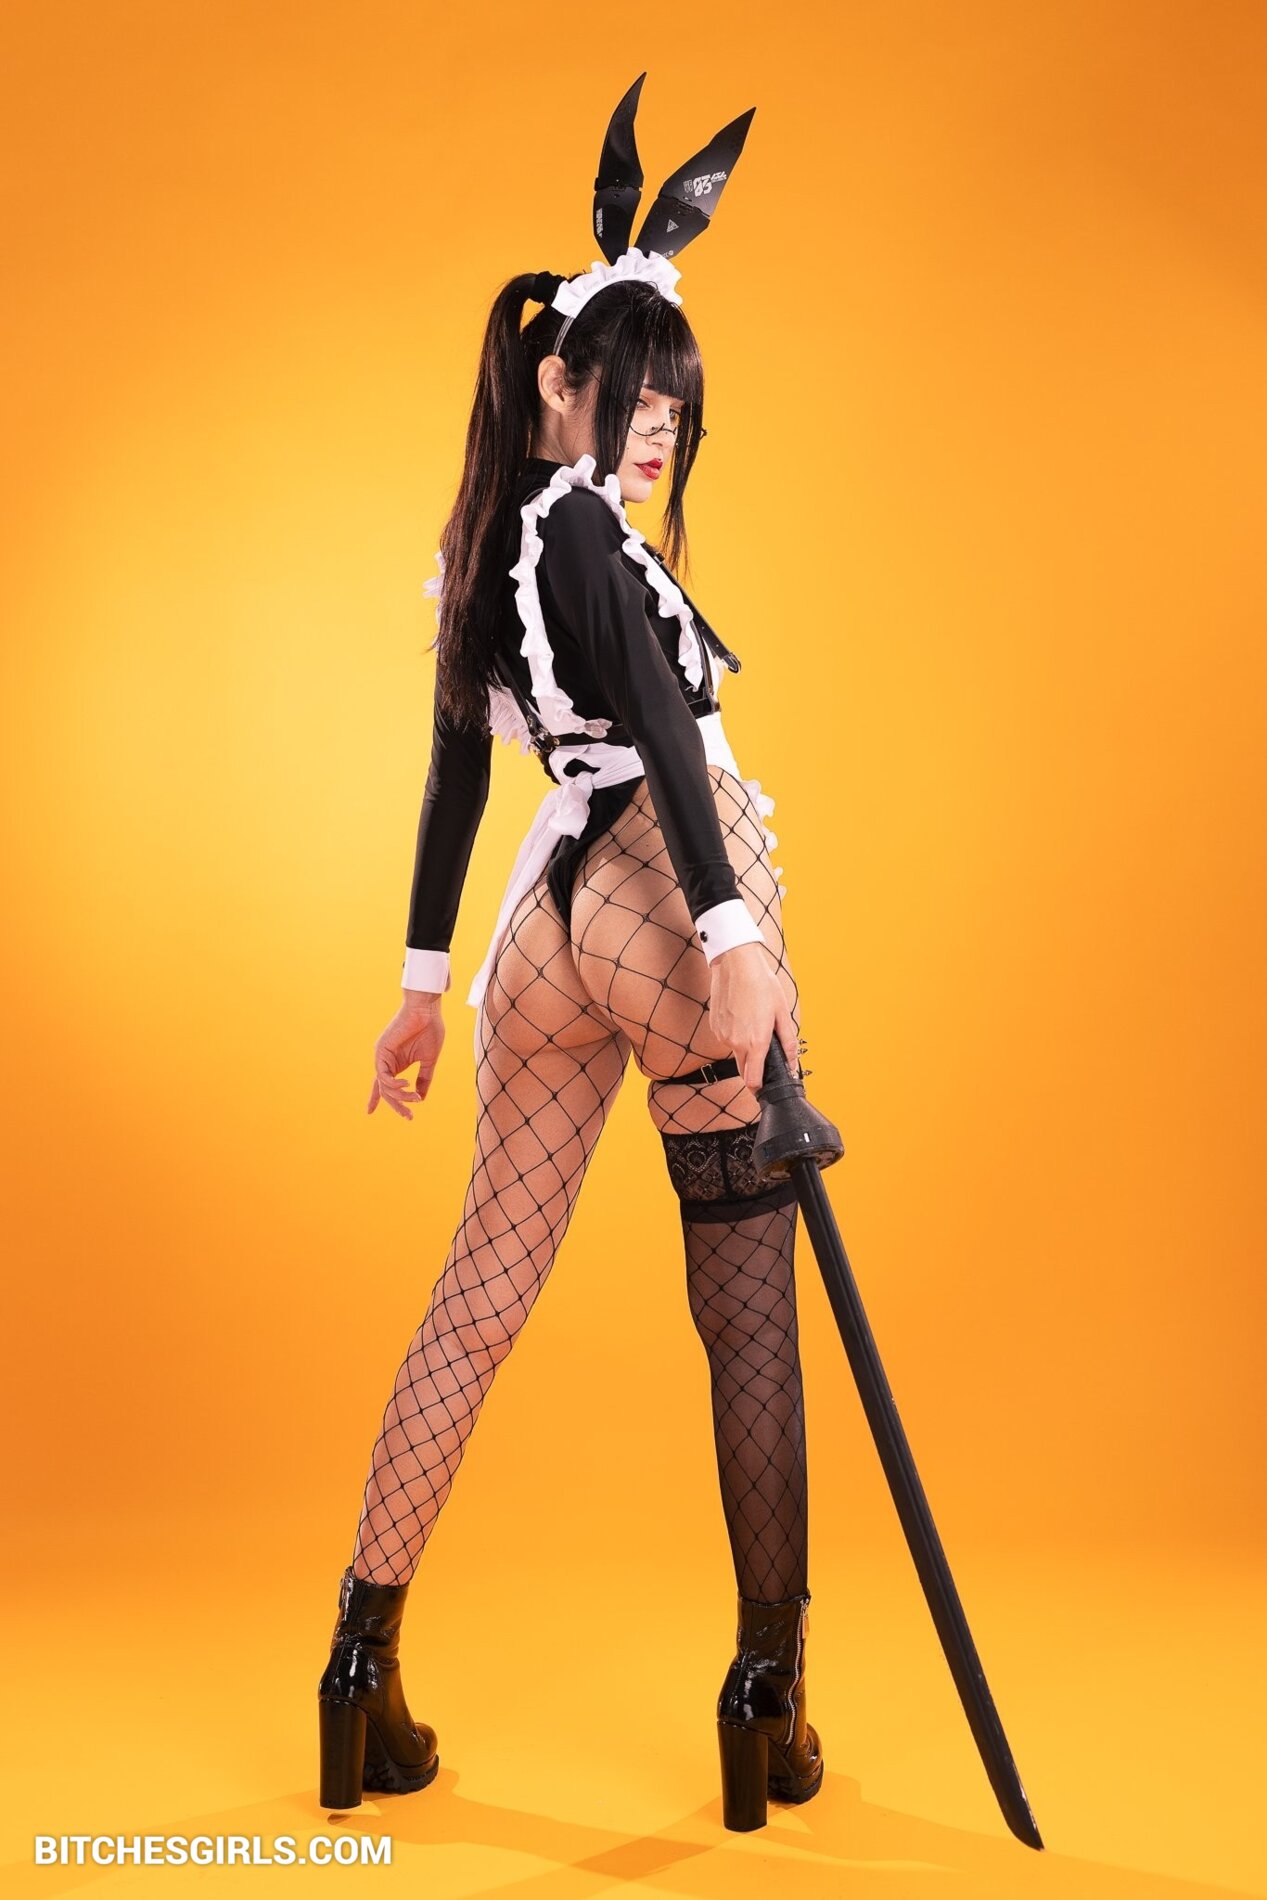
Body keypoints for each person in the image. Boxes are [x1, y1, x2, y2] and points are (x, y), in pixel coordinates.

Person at [317, 76, 825, 1835]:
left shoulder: (483, 537)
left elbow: (462, 768)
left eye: (679, 407)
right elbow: (672, 748)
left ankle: (359, 1667)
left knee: (479, 1293)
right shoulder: (587, 526)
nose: (657, 428)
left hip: (540, 934)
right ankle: (767, 1691)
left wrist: (417, 988)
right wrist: (735, 936)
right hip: (662, 900)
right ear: (559, 380)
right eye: (634, 394)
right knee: (747, 1311)